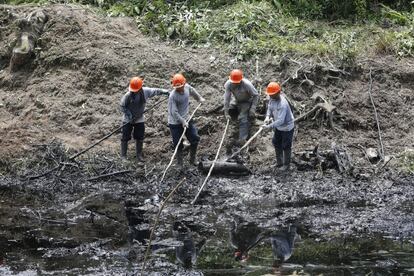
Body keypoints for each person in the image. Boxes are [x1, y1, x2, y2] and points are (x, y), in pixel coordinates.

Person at [120, 77, 169, 161]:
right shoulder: (128, 95)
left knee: (140, 137)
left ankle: (139, 155)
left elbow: (156, 90)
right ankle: (123, 155)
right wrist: (129, 116)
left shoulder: (146, 91)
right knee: (125, 137)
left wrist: (166, 92)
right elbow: (122, 106)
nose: (134, 92)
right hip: (128, 119)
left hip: (139, 118)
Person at [168, 73, 205, 166]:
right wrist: (182, 121)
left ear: (184, 84)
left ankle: (192, 160)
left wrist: (199, 98)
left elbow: (193, 91)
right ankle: (180, 164)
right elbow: (174, 112)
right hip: (175, 123)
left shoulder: (187, 87)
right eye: (177, 87)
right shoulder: (172, 96)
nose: (179, 88)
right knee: (178, 144)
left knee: (195, 138)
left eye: (180, 86)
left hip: (187, 118)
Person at [223, 69, 259, 152]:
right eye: (233, 82)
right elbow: (227, 99)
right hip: (236, 101)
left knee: (243, 118)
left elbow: (256, 95)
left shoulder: (247, 84)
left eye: (237, 82)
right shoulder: (228, 84)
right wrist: (226, 113)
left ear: (241, 80)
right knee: (229, 109)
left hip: (247, 101)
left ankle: (242, 139)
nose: (235, 83)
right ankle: (234, 126)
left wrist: (252, 109)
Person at [262, 82, 295, 170]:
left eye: (273, 94)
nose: (271, 96)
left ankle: (286, 165)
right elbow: (269, 108)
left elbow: (281, 120)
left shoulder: (282, 104)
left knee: (286, 145)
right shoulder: (272, 98)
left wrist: (269, 127)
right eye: (270, 95)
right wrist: (267, 117)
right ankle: (279, 163)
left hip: (287, 127)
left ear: (278, 92)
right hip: (279, 127)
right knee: (276, 143)